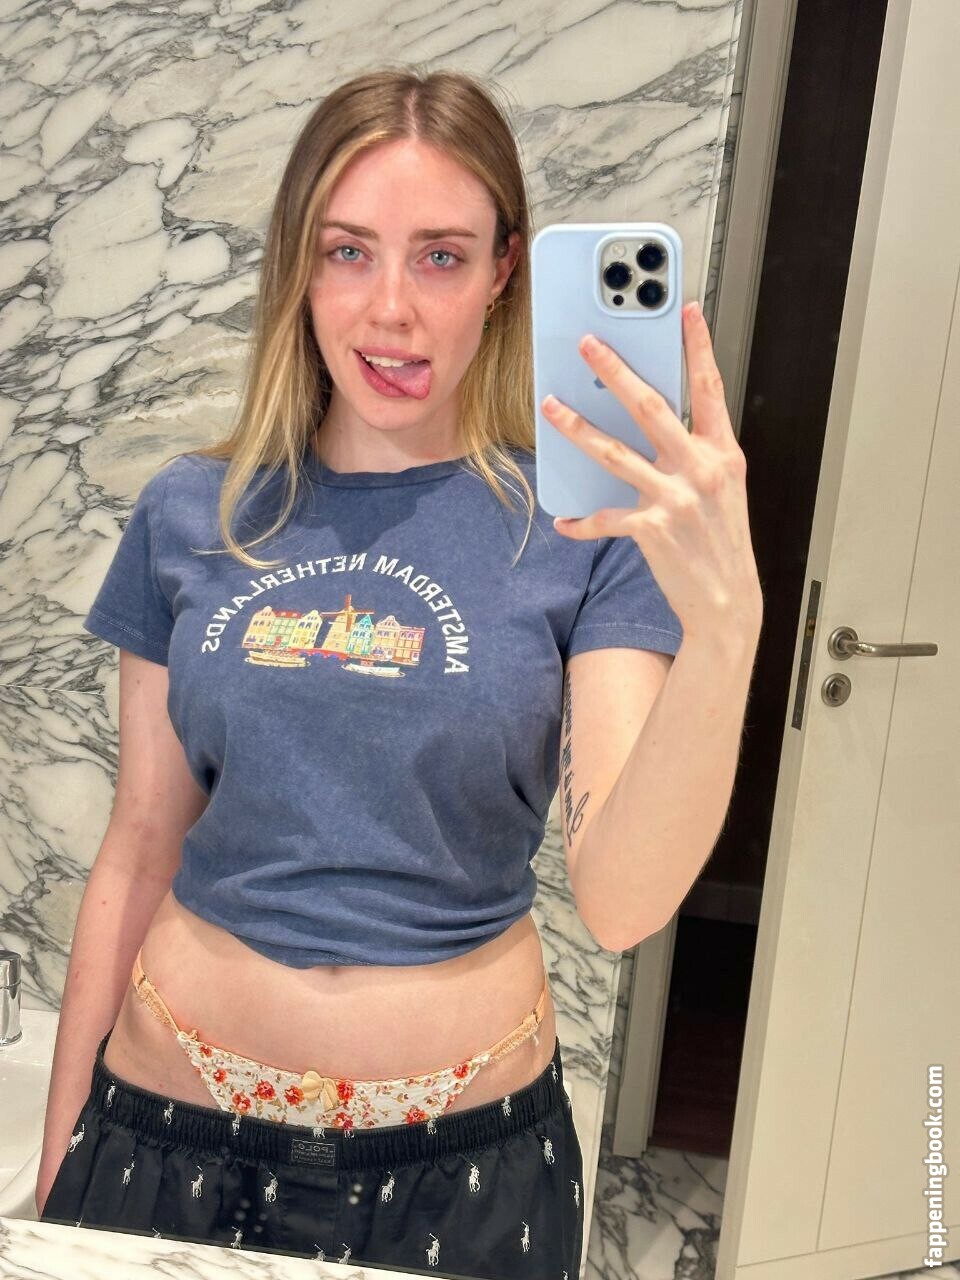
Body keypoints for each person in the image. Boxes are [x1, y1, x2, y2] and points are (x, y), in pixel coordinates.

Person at [36, 67, 691, 1278]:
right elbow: (138, 840)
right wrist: (54, 1161)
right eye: (348, 251)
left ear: (504, 272)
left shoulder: (583, 531)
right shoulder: (192, 510)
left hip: (466, 1167)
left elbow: (621, 895)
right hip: (162, 1127)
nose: (391, 309)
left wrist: (731, 613)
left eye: (441, 256)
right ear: (300, 266)